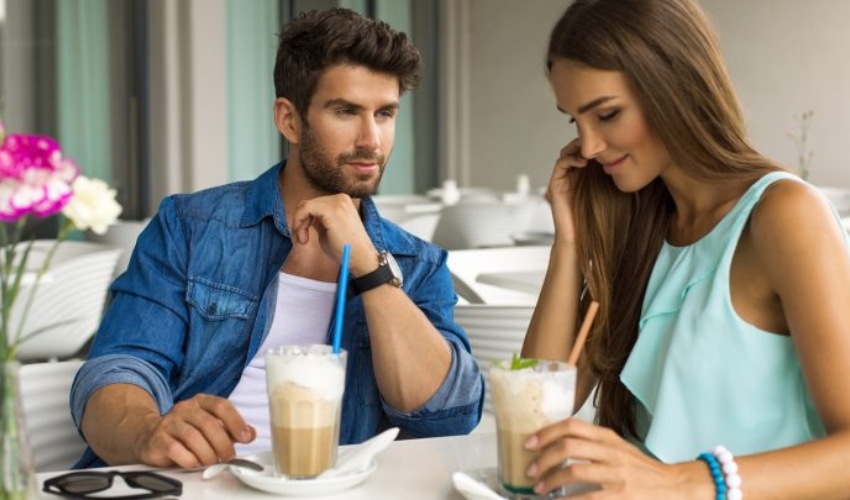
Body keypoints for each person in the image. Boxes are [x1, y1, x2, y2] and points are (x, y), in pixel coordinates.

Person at [70, 7, 483, 469]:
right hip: (187, 483)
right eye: (346, 111)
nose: (372, 139)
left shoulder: (417, 263)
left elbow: (448, 414)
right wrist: (147, 431)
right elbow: (117, 369)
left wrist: (369, 264)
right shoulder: (191, 226)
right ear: (289, 120)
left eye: (385, 114)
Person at [520, 0, 850, 497]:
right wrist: (566, 243)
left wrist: (679, 482)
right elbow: (536, 413)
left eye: (607, 114)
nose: (587, 147)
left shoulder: (782, 216)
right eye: (574, 122)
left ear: (673, 88)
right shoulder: (641, 227)